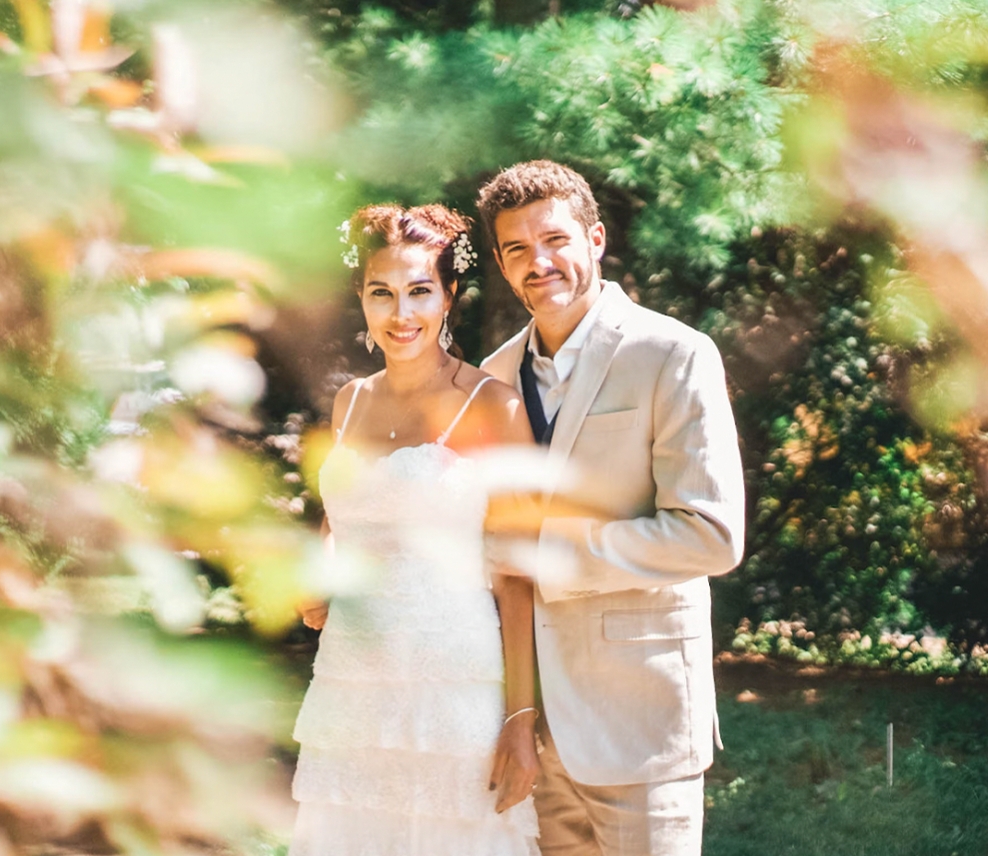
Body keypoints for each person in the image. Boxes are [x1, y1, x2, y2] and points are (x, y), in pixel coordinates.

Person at [477, 161, 746, 856]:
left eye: (555, 240)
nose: (538, 262)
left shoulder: (674, 354)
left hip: (640, 720)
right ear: (502, 266)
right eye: (517, 249)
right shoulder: (492, 377)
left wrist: (551, 556)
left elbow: (711, 534)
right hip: (533, 735)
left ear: (595, 239)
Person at [288, 203, 542, 856]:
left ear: (449, 295)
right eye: (383, 293)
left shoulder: (492, 405)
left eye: (420, 291)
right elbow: (344, 510)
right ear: (362, 299)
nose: (402, 314)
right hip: (352, 681)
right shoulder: (350, 402)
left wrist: (521, 719)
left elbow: (518, 576)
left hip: (453, 684)